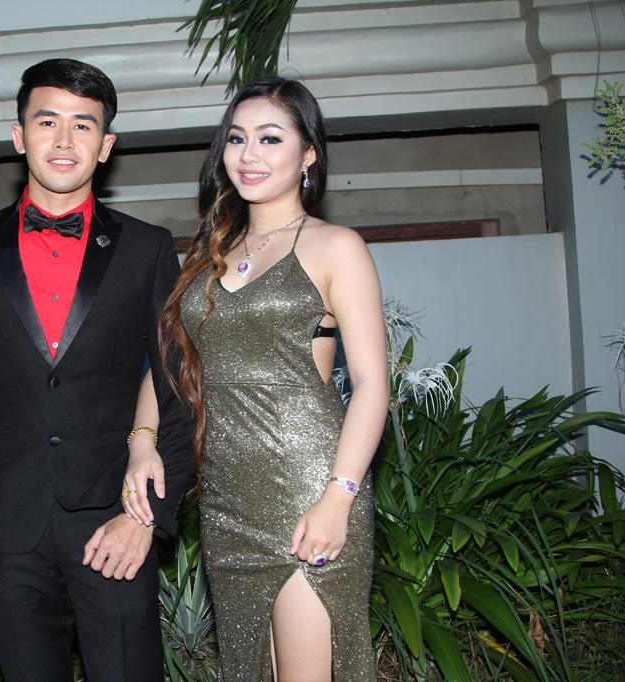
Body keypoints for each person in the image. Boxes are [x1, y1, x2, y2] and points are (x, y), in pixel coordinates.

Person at [0, 58, 192, 682]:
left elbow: (179, 387)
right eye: (47, 122)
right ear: (19, 136)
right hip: (6, 528)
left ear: (106, 146)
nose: (64, 140)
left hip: (115, 521)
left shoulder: (147, 248)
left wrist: (146, 519)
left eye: (83, 125)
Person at [123, 77, 390, 681]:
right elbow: (171, 364)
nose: (249, 154)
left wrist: (338, 498)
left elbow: (373, 385)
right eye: (237, 138)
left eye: (270, 138)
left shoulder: (336, 246)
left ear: (309, 153)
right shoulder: (207, 255)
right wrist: (141, 441)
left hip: (307, 485)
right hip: (226, 498)